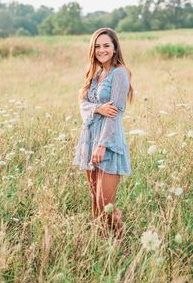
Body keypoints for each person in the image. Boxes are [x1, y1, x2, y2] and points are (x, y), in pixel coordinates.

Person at [72, 27, 133, 239]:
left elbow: (114, 113)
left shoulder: (119, 73)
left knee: (105, 204)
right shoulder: (96, 74)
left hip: (107, 142)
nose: (101, 50)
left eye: (106, 45)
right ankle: (101, 246)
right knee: (95, 203)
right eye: (97, 46)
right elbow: (82, 104)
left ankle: (122, 247)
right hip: (89, 139)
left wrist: (102, 145)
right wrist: (96, 108)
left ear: (115, 48)